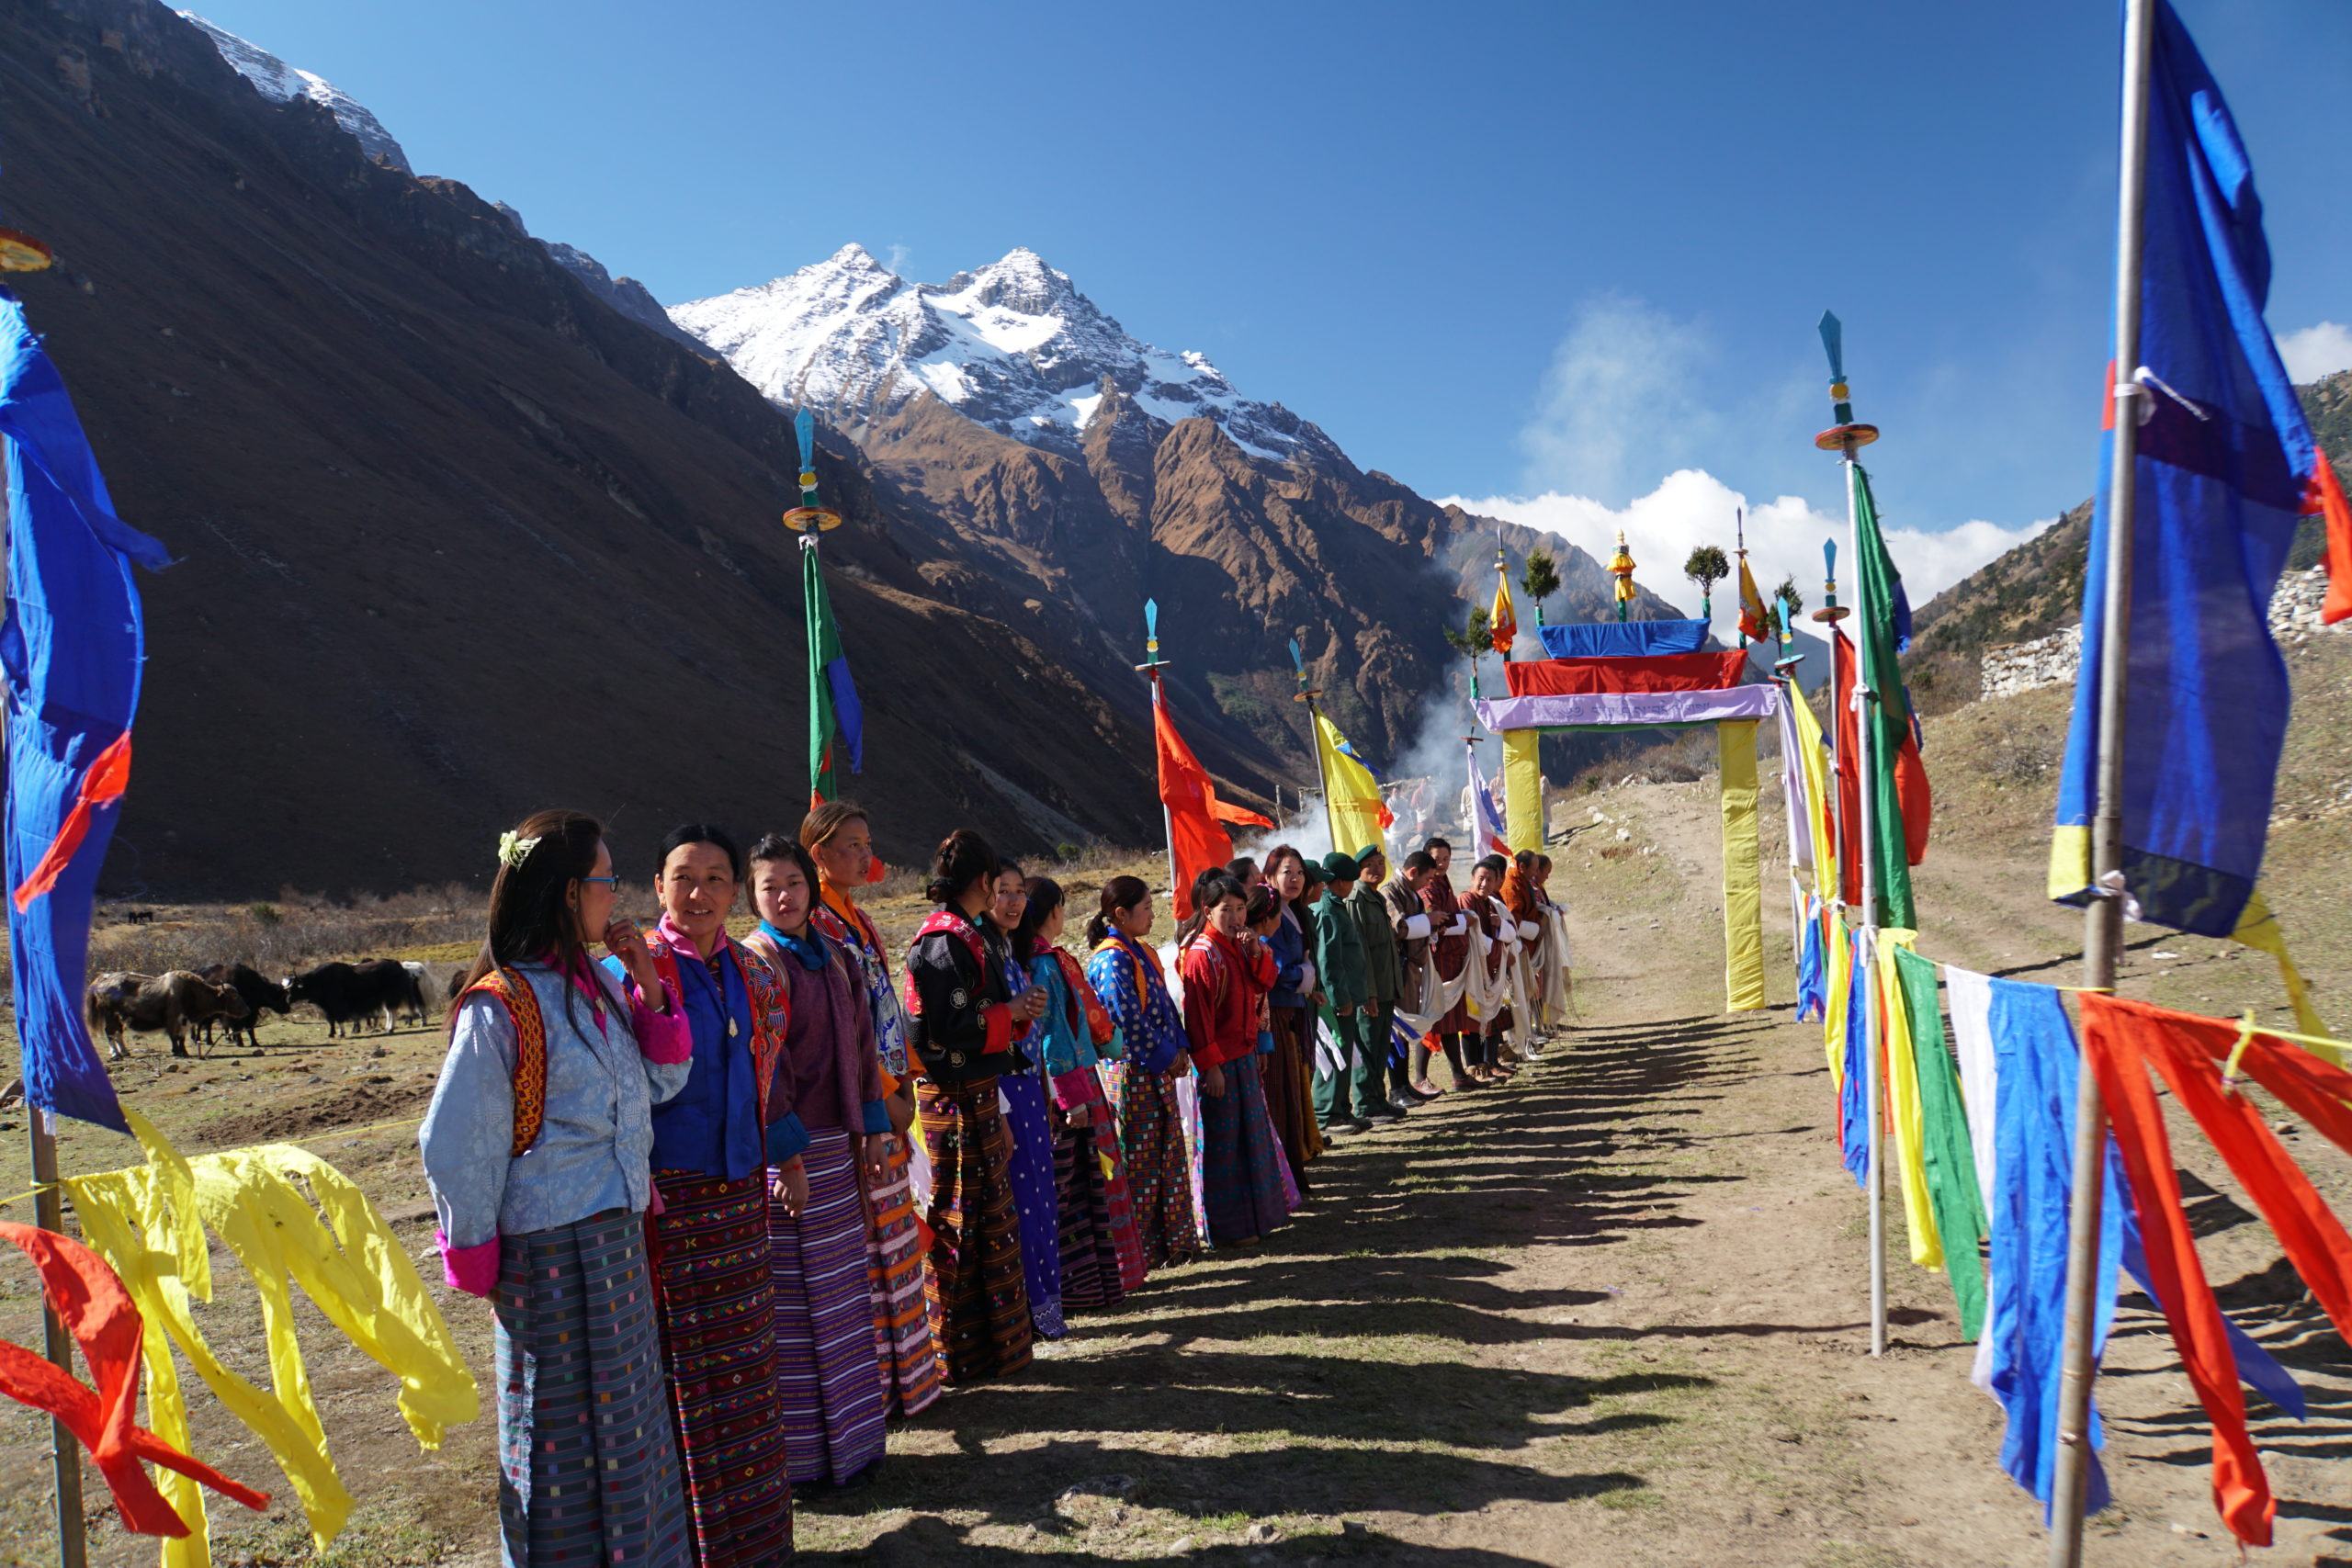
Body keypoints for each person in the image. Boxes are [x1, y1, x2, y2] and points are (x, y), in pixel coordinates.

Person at [420, 811, 695, 1568]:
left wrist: (645, 984)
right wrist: (473, 1246)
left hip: (613, 1248)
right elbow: (457, 1145)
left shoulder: (601, 987)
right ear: (573, 892)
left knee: (633, 1430)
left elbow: (664, 1084)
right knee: (556, 1441)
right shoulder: (498, 1006)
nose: (616, 895)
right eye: (606, 880)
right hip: (548, 1258)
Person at [626, 823, 798, 1568]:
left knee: (749, 1361)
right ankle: (698, 1542)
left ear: (735, 890)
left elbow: (770, 1074)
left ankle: (759, 1534)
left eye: (716, 879)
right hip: (667, 1196)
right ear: (658, 886)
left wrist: (783, 1155)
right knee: (683, 1366)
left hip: (739, 1191)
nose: (699, 894)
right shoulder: (632, 969)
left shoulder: (757, 974)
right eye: (683, 877)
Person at [740, 835, 893, 1493]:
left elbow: (861, 1042)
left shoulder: (834, 954)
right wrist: (786, 1155)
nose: (783, 896)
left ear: (810, 884)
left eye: (793, 883)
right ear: (754, 894)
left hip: (840, 1145)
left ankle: (856, 1443)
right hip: (796, 1152)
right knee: (798, 1306)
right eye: (769, 886)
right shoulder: (756, 961)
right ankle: (807, 1458)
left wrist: (874, 1126)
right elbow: (762, 1065)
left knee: (843, 1297)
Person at [797, 800, 944, 1420]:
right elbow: (846, 1022)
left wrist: (905, 1076)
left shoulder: (855, 919)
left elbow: (882, 1008)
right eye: (852, 844)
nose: (865, 854)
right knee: (869, 1249)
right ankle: (884, 1383)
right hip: (862, 1100)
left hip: (888, 1090)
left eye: (867, 842)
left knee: (896, 1238)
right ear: (820, 854)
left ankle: (911, 1375)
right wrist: (883, 1090)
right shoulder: (821, 925)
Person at [903, 829, 1039, 1385]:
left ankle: (991, 1349)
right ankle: (955, 1354)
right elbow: (944, 1029)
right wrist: (1010, 1010)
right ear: (983, 882)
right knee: (959, 1216)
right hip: (953, 1101)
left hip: (976, 1095)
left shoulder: (966, 936)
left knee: (986, 1219)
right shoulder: (943, 942)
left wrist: (1013, 1012)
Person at [1019, 875, 1146, 1306]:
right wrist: (1073, 1096)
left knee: (1088, 1178)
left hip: (1070, 1081)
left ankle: (1095, 1280)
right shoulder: (1045, 964)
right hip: (1071, 1087)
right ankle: (1085, 1284)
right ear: (1053, 911)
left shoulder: (1040, 959)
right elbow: (1056, 1033)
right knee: (1081, 1182)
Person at [1084, 876, 1203, 1269]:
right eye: (1147, 907)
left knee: (1166, 1155)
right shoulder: (1111, 958)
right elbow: (1124, 1019)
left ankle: (1172, 1242)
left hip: (1157, 1069)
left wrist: (1181, 1046)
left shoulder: (1141, 951)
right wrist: (1167, 1055)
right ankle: (1143, 1251)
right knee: (1140, 1163)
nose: (1154, 914)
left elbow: (1166, 1005)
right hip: (1132, 1074)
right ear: (1121, 913)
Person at [1176, 874, 1289, 1246]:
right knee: (1225, 1148)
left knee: (1251, 1142)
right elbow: (1198, 1019)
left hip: (1243, 1057)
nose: (1237, 917)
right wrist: (1210, 1065)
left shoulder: (1238, 945)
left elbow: (1264, 984)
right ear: (1208, 911)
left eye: (1241, 909)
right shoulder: (1202, 954)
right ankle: (1229, 1229)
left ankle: (1258, 1220)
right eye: (1228, 910)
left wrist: (1256, 951)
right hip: (1221, 1064)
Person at [986, 860, 1066, 1340]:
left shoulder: (1010, 952)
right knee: (1020, 1204)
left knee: (1041, 1200)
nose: (1014, 901)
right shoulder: (979, 955)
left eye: (1020, 892)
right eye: (1003, 890)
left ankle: (1049, 1313)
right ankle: (1030, 1315)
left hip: (1029, 1090)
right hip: (1003, 1095)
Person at [1256, 846, 1320, 1190]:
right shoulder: (1270, 917)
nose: (1294, 879)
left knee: (1295, 1088)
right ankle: (1287, 1172)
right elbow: (1276, 969)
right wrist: (1306, 974)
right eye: (1286, 872)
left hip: (1294, 1010)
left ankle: (1297, 1164)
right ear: (1269, 878)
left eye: (1298, 872)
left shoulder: (1293, 912)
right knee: (1282, 1091)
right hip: (1277, 1012)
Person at [1310, 852, 1380, 1134]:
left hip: (1348, 994)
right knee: (1335, 1052)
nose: (1352, 886)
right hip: (1338, 998)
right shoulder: (1327, 910)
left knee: (1344, 1053)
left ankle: (1340, 1109)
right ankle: (1327, 1113)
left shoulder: (1336, 906)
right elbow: (1329, 960)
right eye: (1349, 881)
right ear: (1339, 882)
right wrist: (1340, 999)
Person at [1347, 846, 1410, 1119]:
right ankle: (1365, 1104)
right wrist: (1368, 994)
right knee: (1367, 1047)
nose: (1377, 869)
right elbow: (1359, 953)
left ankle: (1378, 1099)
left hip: (1386, 988)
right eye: (1369, 865)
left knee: (1380, 1047)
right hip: (1370, 992)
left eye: (1380, 863)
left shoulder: (1375, 897)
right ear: (1358, 870)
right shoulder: (1356, 900)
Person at [1418, 838, 1479, 1093]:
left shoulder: (1442, 880)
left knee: (1451, 1021)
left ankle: (1458, 1075)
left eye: (1446, 858)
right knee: (1432, 1021)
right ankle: (1420, 1078)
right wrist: (1464, 920)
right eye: (1436, 859)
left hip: (1452, 961)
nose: (1441, 863)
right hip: (1438, 961)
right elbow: (1436, 920)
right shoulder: (1427, 885)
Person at [1382, 852, 1442, 1105]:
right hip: (1397, 968)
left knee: (1405, 1030)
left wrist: (1435, 925)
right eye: (1427, 878)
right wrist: (1427, 920)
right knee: (1397, 1029)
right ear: (1414, 872)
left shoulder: (1409, 891)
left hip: (1410, 969)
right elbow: (1399, 928)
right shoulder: (1390, 891)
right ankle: (1396, 1090)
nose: (1427, 885)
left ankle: (1404, 1085)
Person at [1464, 852, 1518, 1083]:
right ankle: (1475, 1068)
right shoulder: (1467, 901)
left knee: (1493, 1016)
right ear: (1472, 878)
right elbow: (1475, 938)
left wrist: (1499, 926)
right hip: (1475, 970)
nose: (1484, 884)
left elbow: (1509, 933)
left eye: (1490, 879)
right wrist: (1500, 951)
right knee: (1473, 1021)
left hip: (1492, 969)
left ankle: (1488, 1064)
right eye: (1481, 878)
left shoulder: (1490, 903)